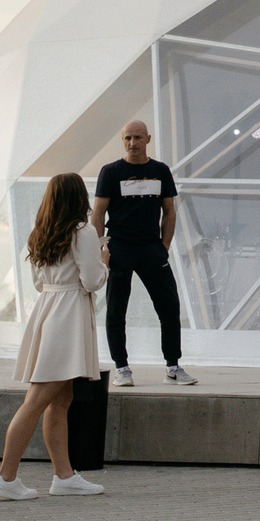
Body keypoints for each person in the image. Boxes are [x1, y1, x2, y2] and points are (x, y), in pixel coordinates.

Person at [0, 173, 107, 500]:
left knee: (60, 399)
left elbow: (40, 284)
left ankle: (63, 475)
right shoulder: (84, 232)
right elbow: (93, 280)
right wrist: (104, 260)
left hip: (48, 309)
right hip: (69, 316)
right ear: (78, 197)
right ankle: (6, 477)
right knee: (39, 400)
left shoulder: (38, 233)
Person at [92, 120, 192, 387]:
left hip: (151, 248)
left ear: (148, 139)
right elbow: (98, 212)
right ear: (122, 140)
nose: (132, 143)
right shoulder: (111, 172)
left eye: (137, 138)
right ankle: (122, 367)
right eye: (127, 138)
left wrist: (164, 246)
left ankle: (173, 365)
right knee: (116, 310)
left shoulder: (160, 171)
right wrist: (101, 248)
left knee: (169, 306)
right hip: (119, 247)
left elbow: (169, 210)